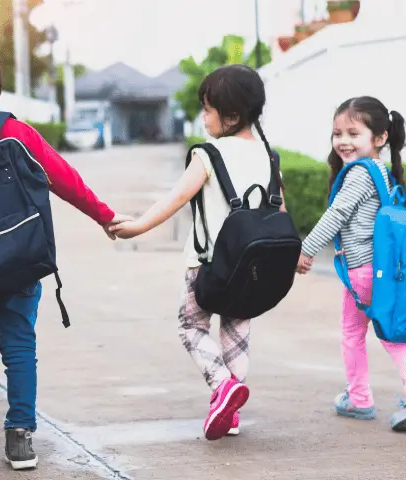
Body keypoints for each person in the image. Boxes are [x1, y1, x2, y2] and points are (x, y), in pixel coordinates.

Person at [0, 45, 131, 470]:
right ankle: (20, 436)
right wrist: (104, 216)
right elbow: (63, 179)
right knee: (19, 343)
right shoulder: (17, 132)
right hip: (22, 258)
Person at [109, 64, 283, 440]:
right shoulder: (270, 157)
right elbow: (278, 212)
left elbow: (175, 199)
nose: (203, 118)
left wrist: (137, 226)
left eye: (208, 109)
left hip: (207, 265)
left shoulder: (208, 154)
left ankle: (223, 386)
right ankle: (231, 412)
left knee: (192, 327)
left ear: (231, 115)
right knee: (236, 333)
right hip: (252, 267)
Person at [296, 96, 406, 431]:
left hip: (363, 271)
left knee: (353, 333)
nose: (342, 141)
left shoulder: (359, 175)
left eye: (352, 133)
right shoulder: (382, 173)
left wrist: (306, 249)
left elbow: (337, 214)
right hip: (383, 271)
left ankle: (360, 398)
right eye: (337, 133)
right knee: (393, 334)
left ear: (380, 137)